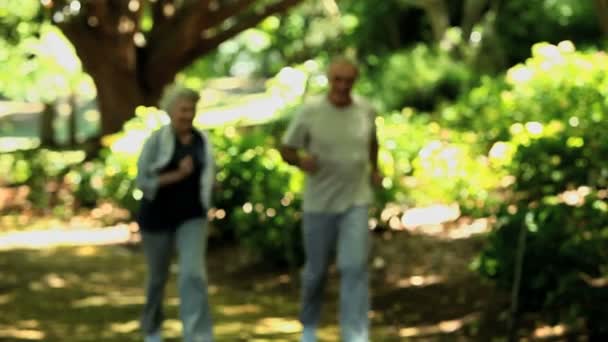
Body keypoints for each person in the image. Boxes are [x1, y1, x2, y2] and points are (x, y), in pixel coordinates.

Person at [280, 57, 382, 342]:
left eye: (348, 80)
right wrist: (302, 162)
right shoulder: (311, 111)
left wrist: (376, 169)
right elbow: (286, 148)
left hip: (356, 199)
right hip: (319, 203)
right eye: (338, 79)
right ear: (329, 79)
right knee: (316, 271)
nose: (343, 86)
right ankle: (309, 327)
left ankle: (356, 333)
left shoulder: (365, 110)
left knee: (355, 266)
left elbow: (373, 141)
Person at [135, 85, 215, 342]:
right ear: (170, 111)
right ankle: (152, 329)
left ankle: (197, 335)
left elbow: (209, 174)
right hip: (157, 219)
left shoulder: (203, 141)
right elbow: (143, 181)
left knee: (193, 274)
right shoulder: (156, 141)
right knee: (158, 278)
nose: (187, 115)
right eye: (183, 109)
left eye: (191, 109)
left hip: (192, 216)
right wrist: (177, 175)